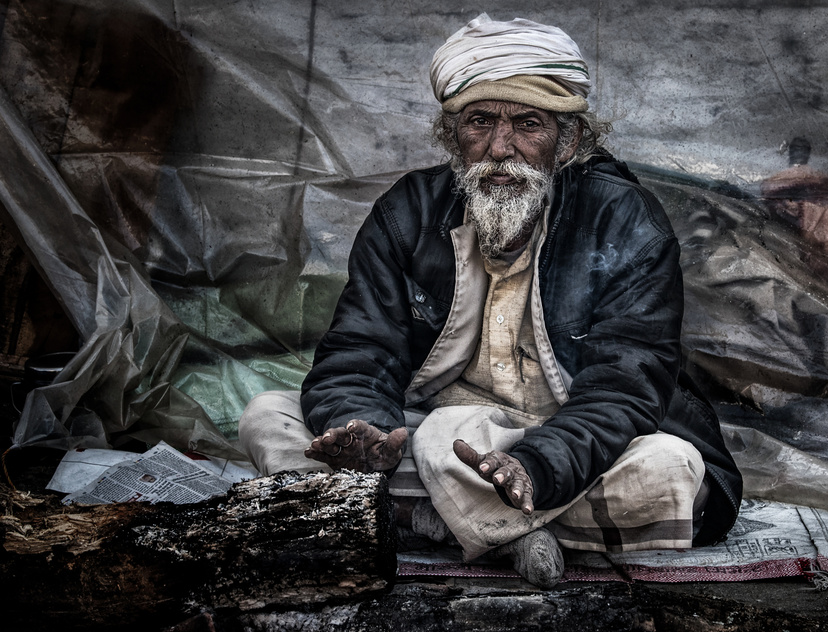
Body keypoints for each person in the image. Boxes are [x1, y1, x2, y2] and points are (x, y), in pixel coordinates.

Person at [239, 14, 742, 588]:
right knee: (268, 420)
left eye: (528, 124)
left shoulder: (622, 220)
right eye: (480, 122)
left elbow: (622, 389)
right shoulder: (408, 213)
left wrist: (535, 465)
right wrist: (367, 432)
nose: (501, 148)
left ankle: (419, 519)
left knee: (672, 472)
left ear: (569, 139)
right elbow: (359, 351)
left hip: (568, 442)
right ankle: (512, 531)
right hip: (435, 431)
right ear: (453, 136)